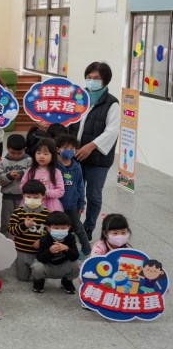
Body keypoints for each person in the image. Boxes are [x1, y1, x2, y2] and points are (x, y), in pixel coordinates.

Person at [69, 62, 120, 239]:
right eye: (88, 77)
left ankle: (88, 227)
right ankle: (72, 224)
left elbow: (112, 131)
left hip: (97, 159)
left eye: (96, 78)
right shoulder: (78, 98)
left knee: (93, 195)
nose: (91, 81)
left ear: (105, 80)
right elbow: (68, 122)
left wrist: (91, 146)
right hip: (75, 155)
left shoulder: (111, 103)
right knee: (73, 191)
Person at [7, 180, 51, 281]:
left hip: (39, 252)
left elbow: (51, 233)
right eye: (29, 196)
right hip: (21, 250)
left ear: (43, 197)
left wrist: (42, 241)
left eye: (36, 197)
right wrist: (24, 225)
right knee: (22, 278)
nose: (32, 199)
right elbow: (11, 229)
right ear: (23, 196)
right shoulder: (18, 212)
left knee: (38, 276)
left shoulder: (47, 214)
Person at [55, 135, 90, 256]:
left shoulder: (77, 166)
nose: (69, 150)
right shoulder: (54, 165)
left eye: (72, 148)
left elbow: (80, 185)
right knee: (56, 228)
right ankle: (57, 250)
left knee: (77, 227)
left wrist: (81, 203)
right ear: (58, 149)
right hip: (56, 204)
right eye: (66, 148)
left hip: (72, 204)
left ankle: (86, 249)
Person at [31, 212, 80, 294]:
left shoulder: (70, 238)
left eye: (63, 228)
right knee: (37, 266)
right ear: (48, 228)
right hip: (48, 266)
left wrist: (67, 249)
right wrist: (49, 251)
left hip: (63, 266)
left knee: (77, 264)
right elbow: (40, 258)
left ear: (68, 227)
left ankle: (67, 281)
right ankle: (39, 281)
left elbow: (75, 256)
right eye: (56, 228)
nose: (59, 230)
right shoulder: (44, 239)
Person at [0, 134, 32, 236]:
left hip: (24, 197)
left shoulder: (29, 161)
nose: (16, 156)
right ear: (7, 148)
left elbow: (33, 174)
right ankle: (5, 240)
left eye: (19, 153)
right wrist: (9, 176)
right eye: (13, 153)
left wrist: (22, 173)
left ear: (25, 149)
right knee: (7, 221)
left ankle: (22, 240)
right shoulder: (3, 162)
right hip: (8, 197)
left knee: (23, 220)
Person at [20, 138, 65, 212]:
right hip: (31, 204)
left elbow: (60, 191)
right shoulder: (30, 171)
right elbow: (22, 185)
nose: (41, 156)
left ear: (52, 156)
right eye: (38, 153)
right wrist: (31, 193)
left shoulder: (56, 172)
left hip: (50, 205)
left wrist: (45, 192)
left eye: (45, 154)